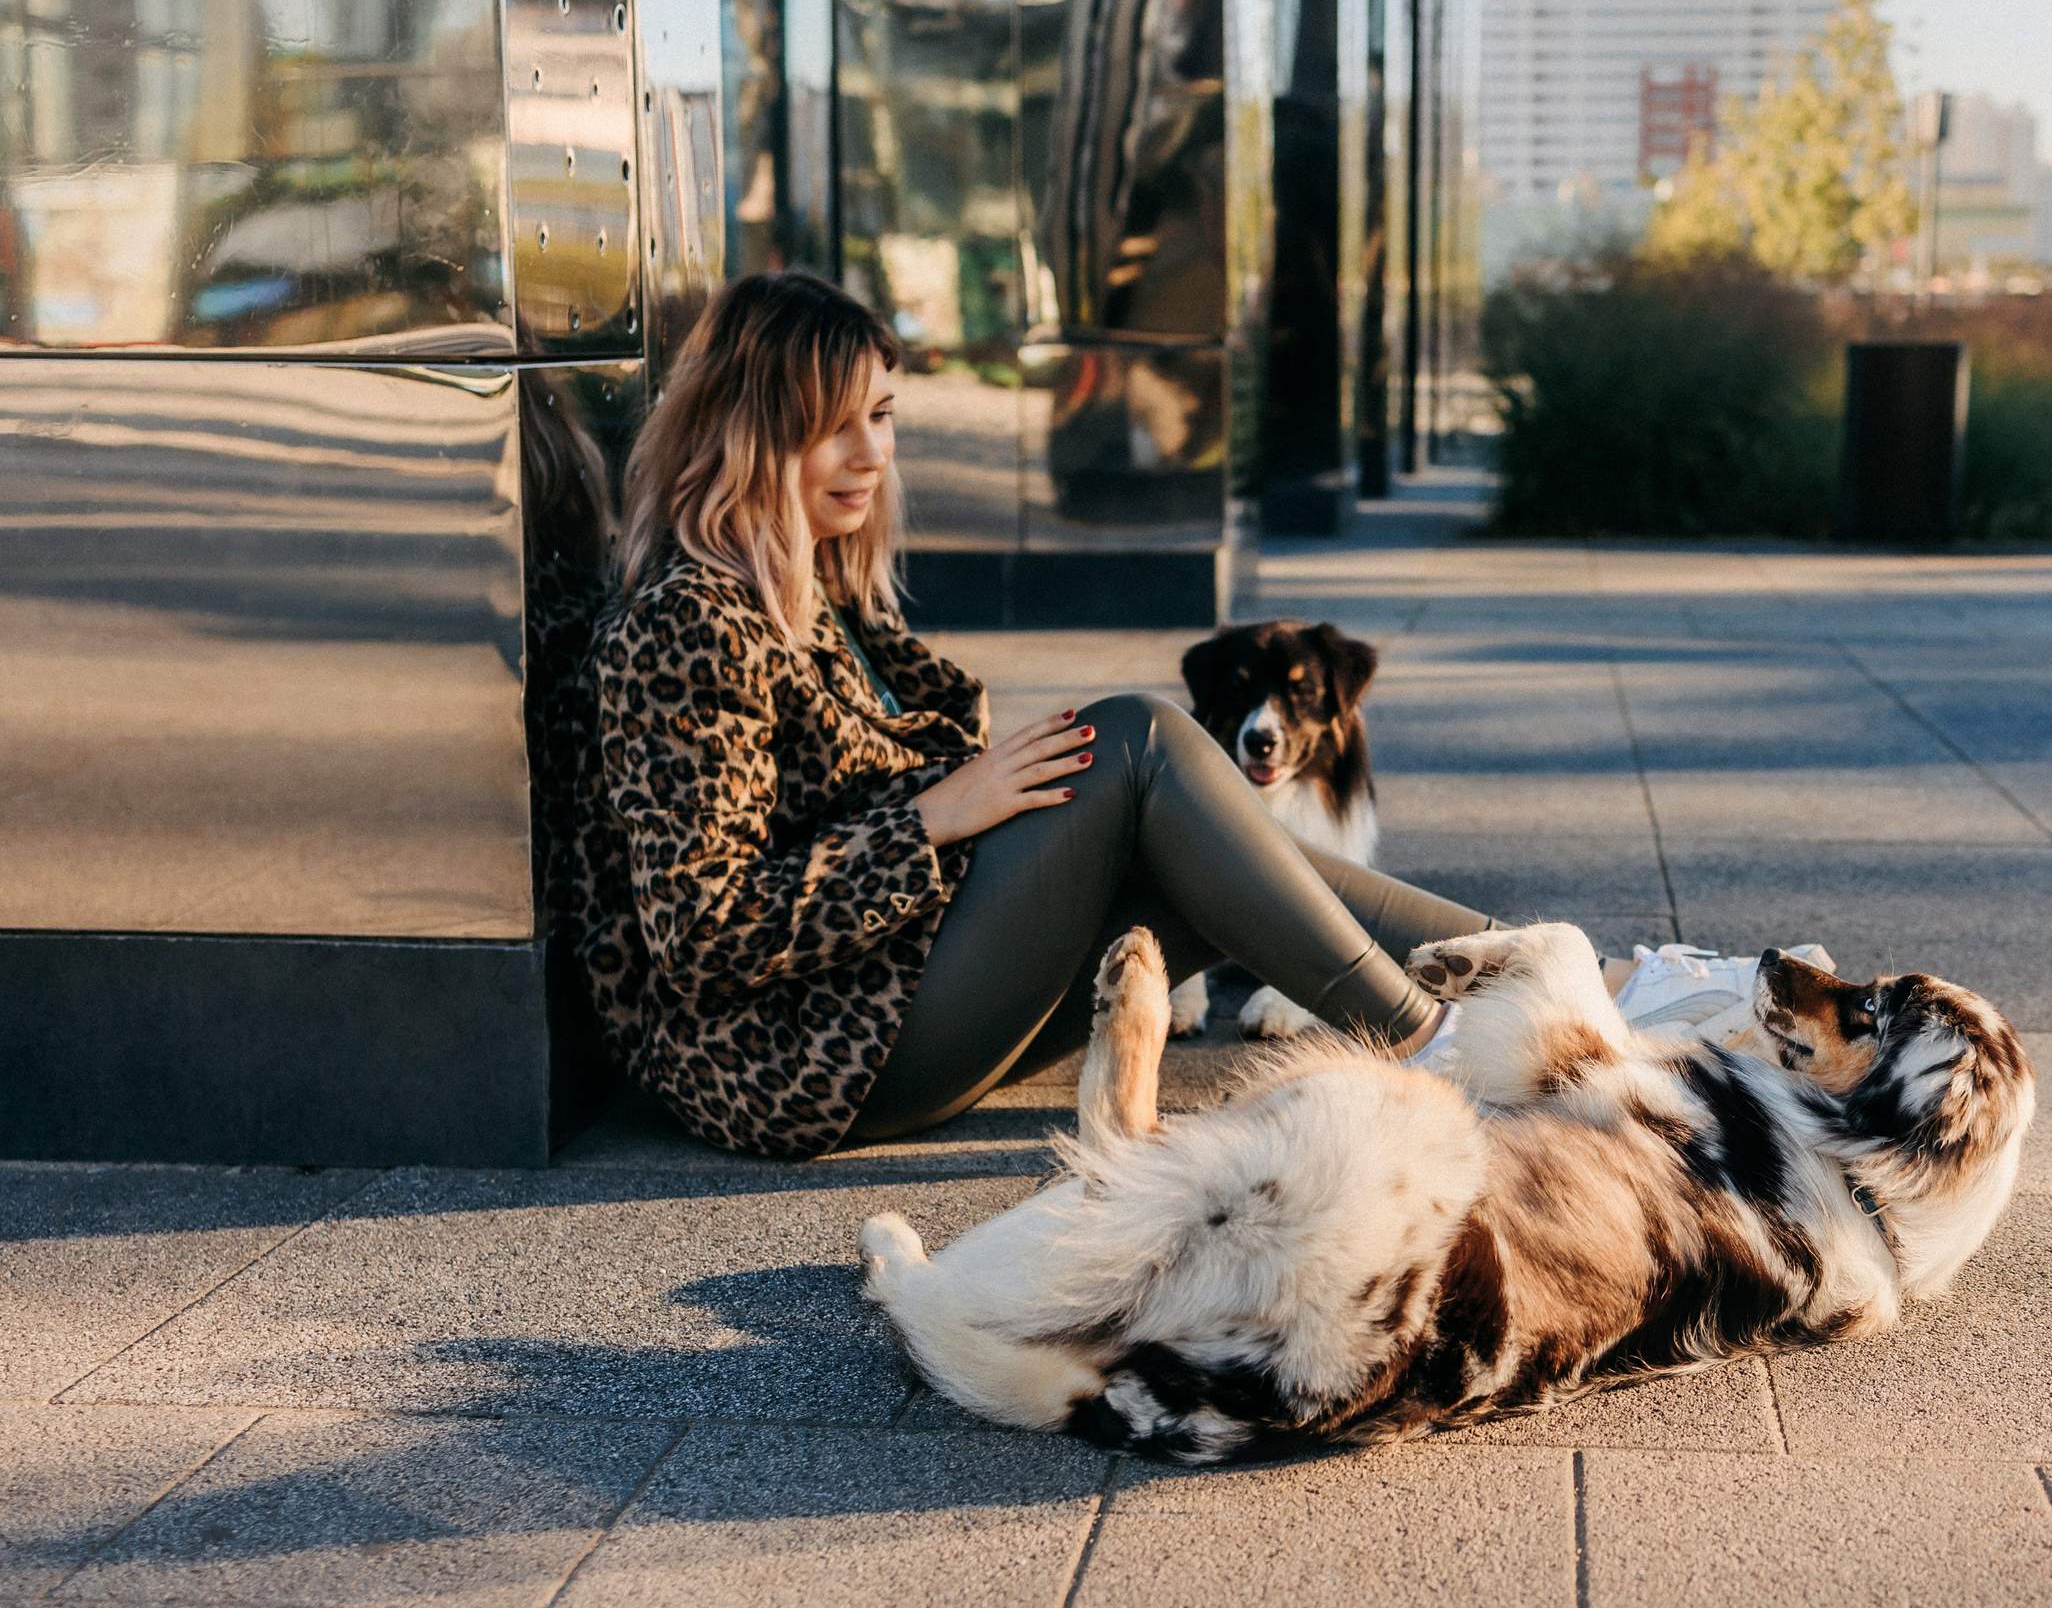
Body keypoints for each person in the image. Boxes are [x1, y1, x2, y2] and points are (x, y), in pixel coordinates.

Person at [567, 272, 1492, 1159]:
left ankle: (1533, 978)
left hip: (898, 980)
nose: (872, 453)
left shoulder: (825, 589)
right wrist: (931, 818)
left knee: (1209, 851)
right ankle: (1432, 1040)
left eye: (881, 415)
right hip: (800, 1056)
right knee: (1138, 740)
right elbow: (702, 930)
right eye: (832, 426)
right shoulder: (688, 622)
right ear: (750, 434)